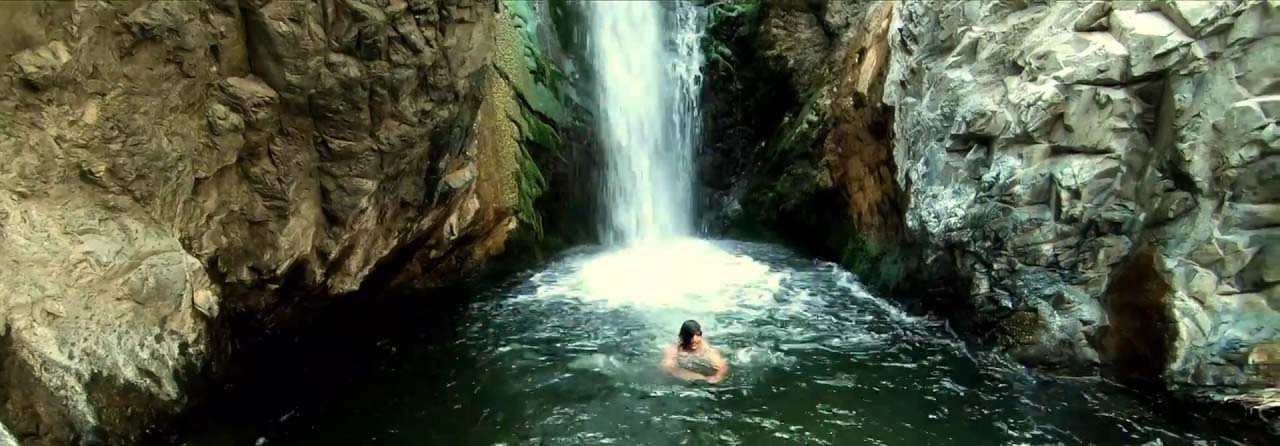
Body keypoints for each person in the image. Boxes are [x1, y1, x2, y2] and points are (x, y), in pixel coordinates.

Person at [662, 320, 728, 384]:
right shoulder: (674, 349)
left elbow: (723, 366)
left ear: (700, 336)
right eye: (690, 337)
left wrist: (718, 377)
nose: (693, 340)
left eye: (696, 336)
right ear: (682, 336)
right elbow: (669, 369)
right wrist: (702, 378)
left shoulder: (707, 350)